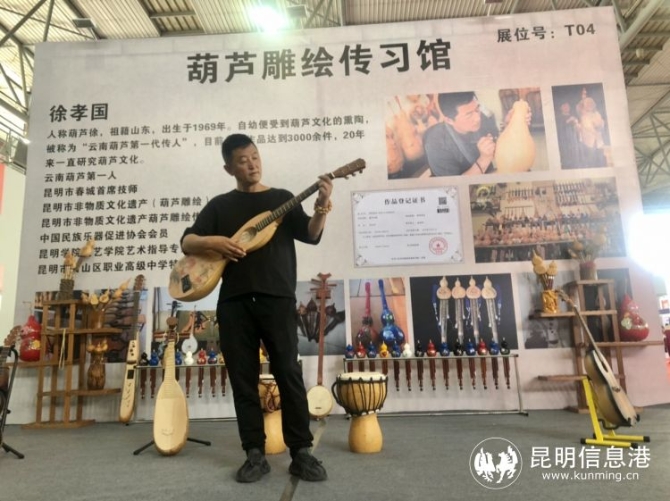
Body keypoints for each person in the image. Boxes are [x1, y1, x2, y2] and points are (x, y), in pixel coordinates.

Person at [180, 133, 332, 483]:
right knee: (242, 379)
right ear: (229, 168)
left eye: (255, 156)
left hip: (277, 299)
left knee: (288, 374)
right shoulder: (220, 206)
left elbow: (310, 234)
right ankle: (254, 454)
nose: (252, 164)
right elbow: (188, 240)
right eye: (243, 160)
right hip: (234, 303)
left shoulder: (281, 199)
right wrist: (215, 241)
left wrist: (322, 204)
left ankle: (301, 452)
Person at [422, 91, 499, 176]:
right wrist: (484, 159)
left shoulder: (483, 117)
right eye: (469, 115)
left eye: (477, 109)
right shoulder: (435, 143)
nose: (478, 118)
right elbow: (454, 183)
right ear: (449, 120)